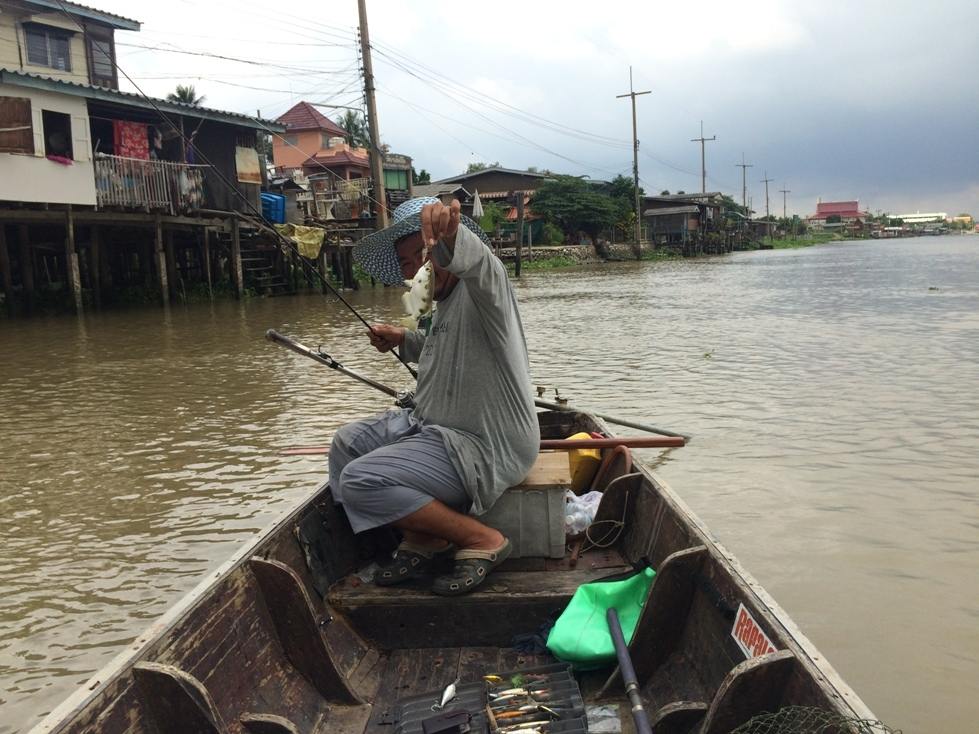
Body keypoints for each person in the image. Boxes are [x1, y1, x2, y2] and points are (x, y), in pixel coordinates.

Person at [329, 196, 540, 596]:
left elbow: (477, 260)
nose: (418, 269)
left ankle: (482, 539)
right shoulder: (439, 305)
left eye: (424, 256)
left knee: (359, 480)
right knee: (346, 446)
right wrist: (404, 339)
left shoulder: (485, 288)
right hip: (432, 426)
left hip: (482, 442)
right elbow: (438, 347)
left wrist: (448, 234)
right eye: (407, 263)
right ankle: (425, 535)